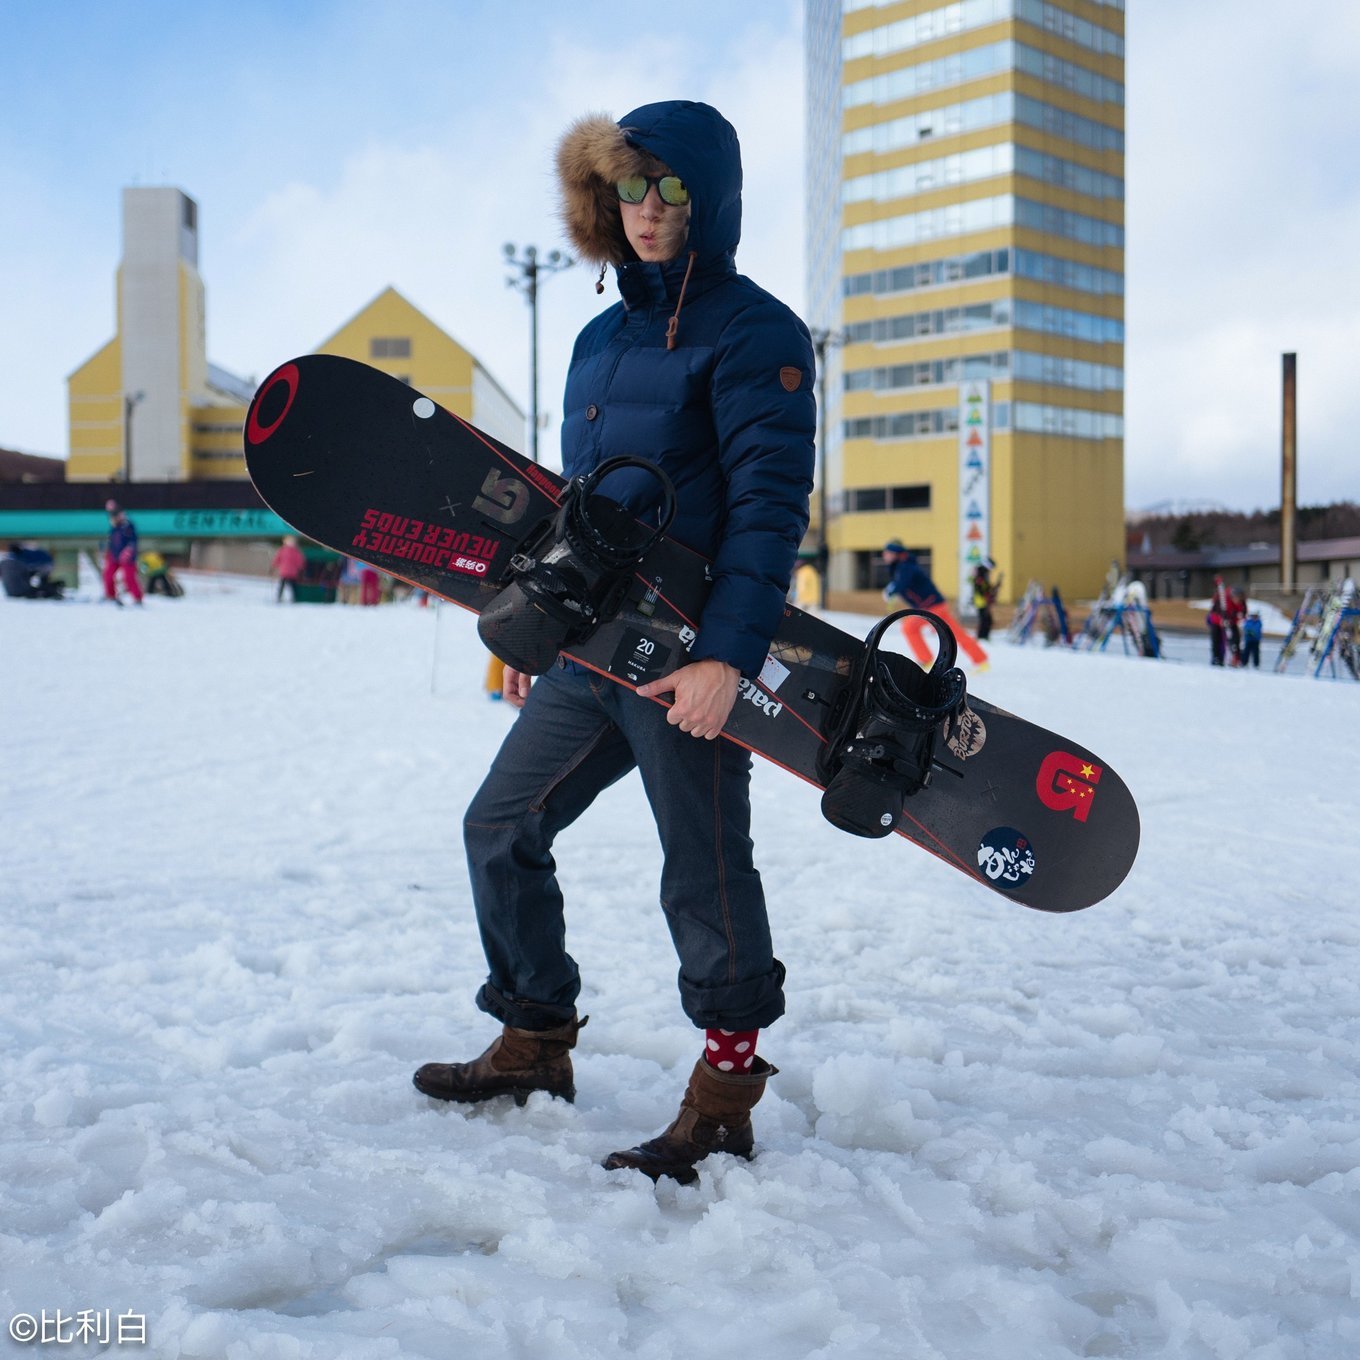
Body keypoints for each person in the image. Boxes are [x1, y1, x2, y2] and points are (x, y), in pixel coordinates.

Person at [412, 101, 816, 1184]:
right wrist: (526, 626)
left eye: (669, 189)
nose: (646, 210)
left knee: (704, 870)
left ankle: (724, 1098)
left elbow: (768, 513)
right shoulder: (596, 340)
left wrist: (727, 658)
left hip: (687, 656)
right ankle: (536, 1035)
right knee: (498, 824)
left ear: (710, 198)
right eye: (629, 188)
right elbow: (565, 508)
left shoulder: (756, 332)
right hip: (587, 650)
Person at [882, 542, 988, 668]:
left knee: (909, 627)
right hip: (933, 604)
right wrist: (892, 589)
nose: (885, 556)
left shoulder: (905, 567)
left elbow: (902, 583)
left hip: (931, 605)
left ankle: (926, 660)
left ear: (896, 555)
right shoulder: (901, 567)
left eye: (888, 553)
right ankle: (981, 660)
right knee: (955, 633)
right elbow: (901, 584)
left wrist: (891, 591)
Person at [102, 501, 143, 605]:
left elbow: (133, 541)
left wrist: (128, 552)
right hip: (114, 556)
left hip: (127, 557)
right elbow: (111, 542)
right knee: (108, 575)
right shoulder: (114, 528)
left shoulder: (128, 526)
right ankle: (110, 596)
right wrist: (108, 552)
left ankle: (137, 598)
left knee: (129, 577)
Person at [270, 535, 306, 603]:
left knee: (291, 586)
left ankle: (292, 598)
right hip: (286, 572)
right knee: (287, 586)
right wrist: (273, 566)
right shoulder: (283, 550)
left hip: (291, 572)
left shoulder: (295, 551)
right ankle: (281, 597)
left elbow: (300, 560)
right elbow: (277, 559)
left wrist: (301, 568)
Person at [970, 557, 999, 640]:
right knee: (985, 620)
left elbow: (986, 587)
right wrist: (988, 595)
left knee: (986, 620)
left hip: (983, 600)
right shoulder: (980, 574)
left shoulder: (983, 574)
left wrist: (992, 589)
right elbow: (980, 589)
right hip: (981, 601)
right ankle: (982, 637)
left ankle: (984, 636)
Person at [1207, 574, 1230, 666]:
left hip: (1222, 621)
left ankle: (1221, 658)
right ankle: (1216, 658)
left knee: (1222, 642)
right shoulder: (1217, 596)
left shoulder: (1223, 594)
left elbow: (1224, 609)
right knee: (1216, 641)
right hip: (1216, 621)